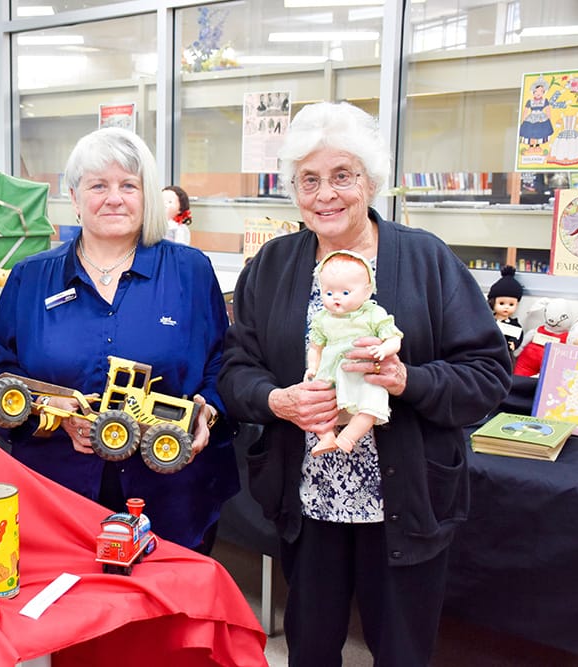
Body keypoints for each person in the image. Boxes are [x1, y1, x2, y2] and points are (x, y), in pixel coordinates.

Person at [218, 101, 512, 666]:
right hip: (309, 501)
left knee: (402, 652)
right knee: (312, 649)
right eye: (310, 179)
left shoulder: (425, 259)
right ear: (295, 190)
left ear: (371, 181)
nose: (326, 193)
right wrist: (277, 400)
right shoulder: (272, 265)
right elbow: (235, 371)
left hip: (406, 500)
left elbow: (487, 373)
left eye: (342, 176)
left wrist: (407, 380)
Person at [0, 127, 238, 552]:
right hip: (59, 492)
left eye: (129, 185)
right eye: (98, 185)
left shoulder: (190, 272)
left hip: (173, 494)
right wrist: (53, 415)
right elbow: (4, 374)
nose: (114, 198)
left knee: (170, 609)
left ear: (147, 195)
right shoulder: (30, 278)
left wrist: (207, 414)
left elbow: (222, 364)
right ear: (73, 195)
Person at [305, 250, 403, 456]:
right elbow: (316, 347)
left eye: (345, 293)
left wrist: (383, 349)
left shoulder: (373, 314)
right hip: (331, 371)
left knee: (370, 406)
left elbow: (394, 339)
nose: (336, 299)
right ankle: (326, 437)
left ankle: (348, 438)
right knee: (319, 407)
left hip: (362, 375)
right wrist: (312, 367)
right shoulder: (322, 318)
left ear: (367, 292)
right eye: (329, 293)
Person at [487, 265, 524, 354]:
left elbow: (518, 336)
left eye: (511, 304)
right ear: (492, 302)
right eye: (501, 303)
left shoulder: (514, 326)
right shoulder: (488, 320)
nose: (506, 307)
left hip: (505, 355)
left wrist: (513, 343)